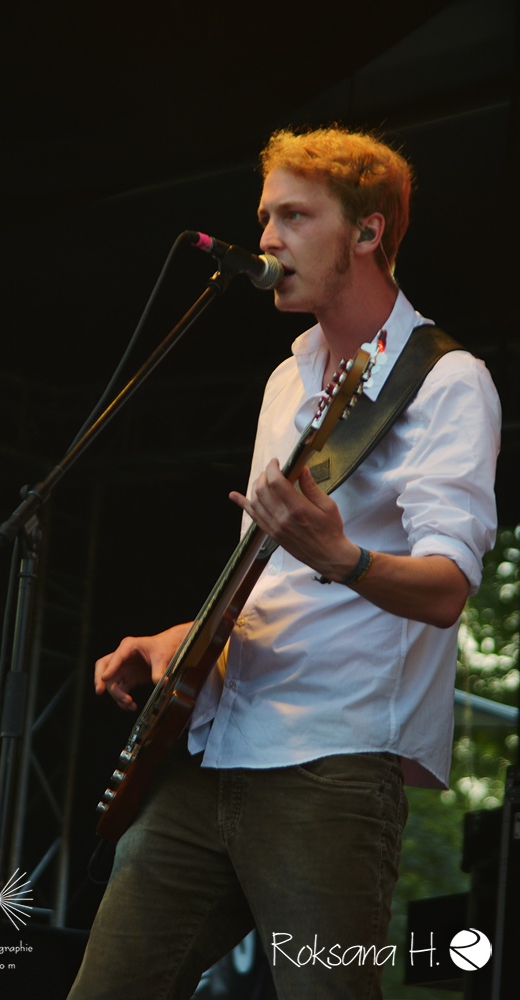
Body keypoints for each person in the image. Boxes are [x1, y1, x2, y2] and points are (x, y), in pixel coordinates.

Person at [66, 125, 501, 998]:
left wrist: (341, 556)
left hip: (331, 766)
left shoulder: (447, 380)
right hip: (215, 749)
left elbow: (447, 591)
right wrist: (182, 640)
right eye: (265, 216)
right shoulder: (286, 379)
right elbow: (271, 588)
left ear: (367, 232)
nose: (265, 239)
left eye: (294, 217)